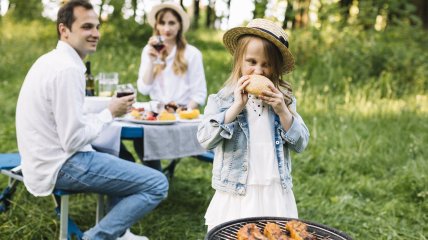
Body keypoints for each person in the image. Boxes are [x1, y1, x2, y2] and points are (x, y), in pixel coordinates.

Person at [15, 1, 168, 239]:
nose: (95, 33)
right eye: (87, 27)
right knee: (157, 183)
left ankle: (121, 233)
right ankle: (96, 237)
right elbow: (73, 140)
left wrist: (109, 106)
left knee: (121, 153)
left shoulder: (53, 60)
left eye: (97, 27)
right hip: (60, 164)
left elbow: (73, 109)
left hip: (42, 157)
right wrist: (110, 113)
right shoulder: (67, 70)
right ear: (64, 30)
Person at [196, 19, 310, 231]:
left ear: (276, 68)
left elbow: (301, 143)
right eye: (252, 62)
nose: (259, 70)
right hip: (237, 189)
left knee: (272, 233)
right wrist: (236, 107)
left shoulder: (284, 100)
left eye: (266, 64)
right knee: (236, 233)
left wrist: (282, 111)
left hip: (274, 188)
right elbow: (204, 139)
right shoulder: (223, 100)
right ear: (239, 61)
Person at [120, 2, 207, 171]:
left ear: (180, 25)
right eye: (162, 23)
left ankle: (155, 181)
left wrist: (180, 113)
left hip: (181, 114)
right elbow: (144, 89)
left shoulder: (192, 54)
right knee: (142, 136)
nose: (166, 28)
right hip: (157, 114)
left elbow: (199, 95)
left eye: (172, 23)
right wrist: (152, 61)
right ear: (156, 26)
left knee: (146, 134)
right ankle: (155, 177)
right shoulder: (149, 50)